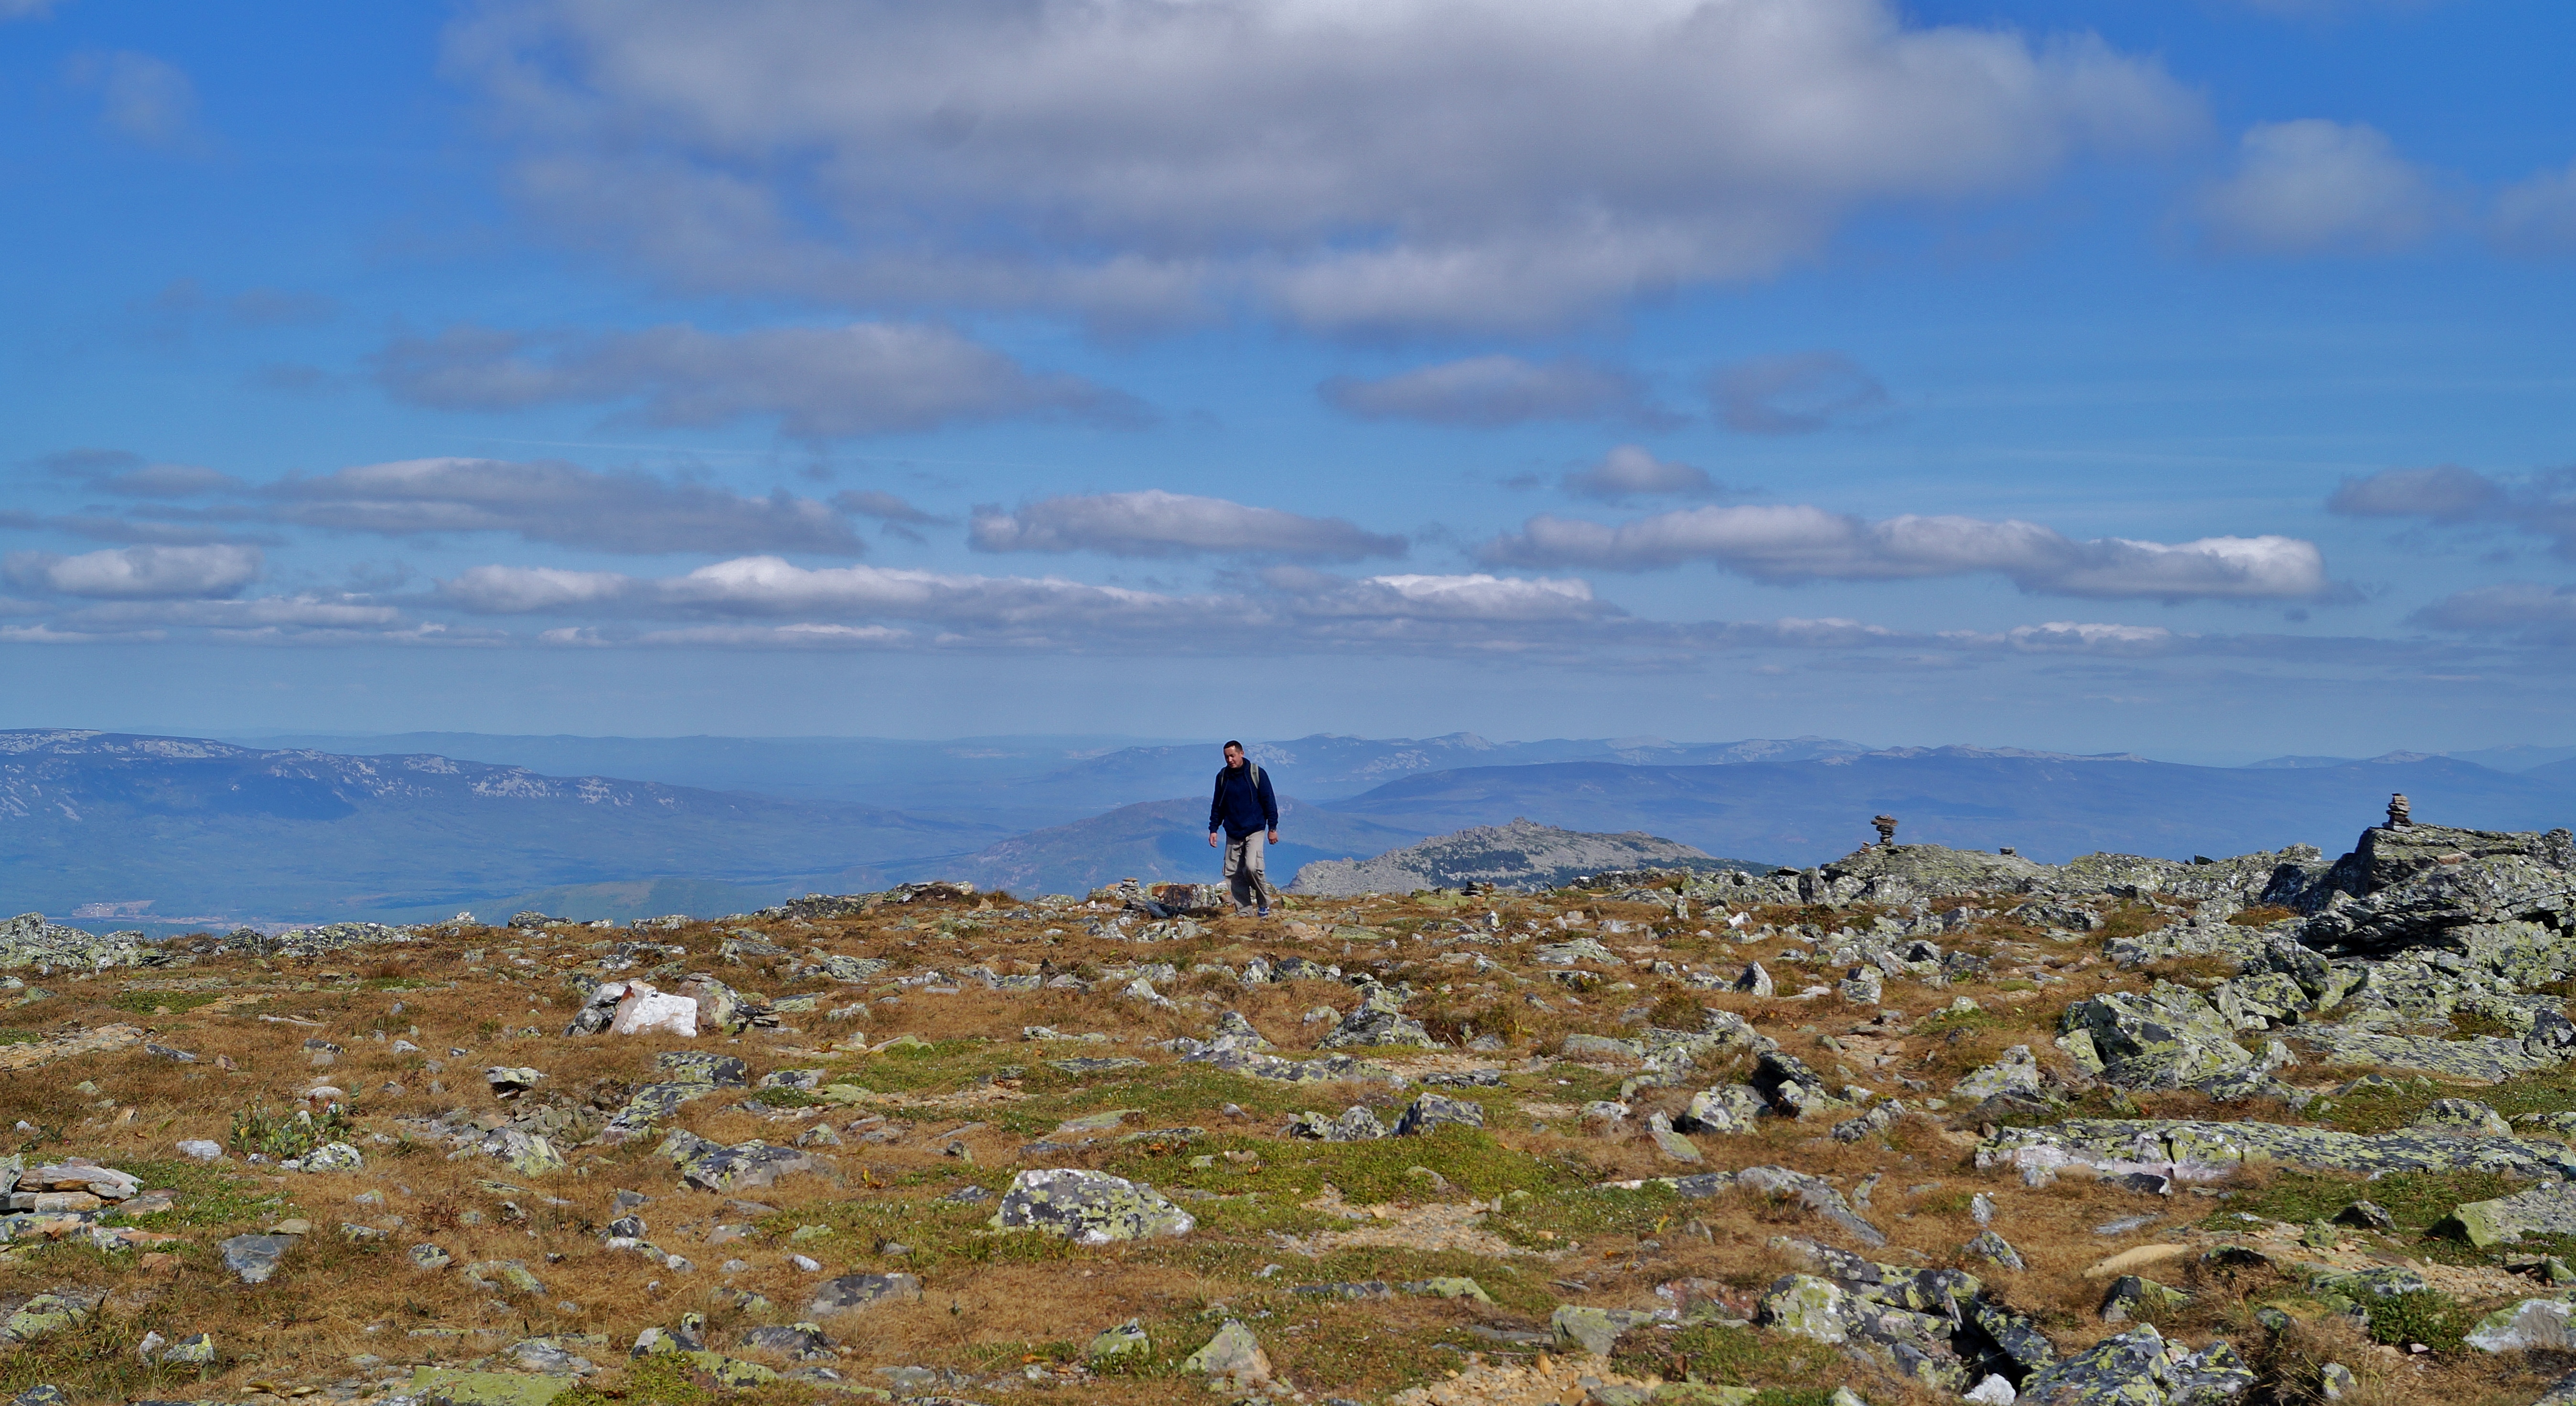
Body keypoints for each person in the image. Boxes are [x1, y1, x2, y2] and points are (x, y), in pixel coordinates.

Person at [1205, 740, 1279, 917]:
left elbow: (1269, 800)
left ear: (1241, 754)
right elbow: (1218, 805)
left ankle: (1263, 903)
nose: (1230, 760)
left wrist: (1273, 827)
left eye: (1232, 756)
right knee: (1233, 874)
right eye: (1226, 757)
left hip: (1255, 829)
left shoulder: (1256, 773)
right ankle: (1245, 913)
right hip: (1233, 831)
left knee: (1252, 867)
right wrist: (1214, 829)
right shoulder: (1223, 777)